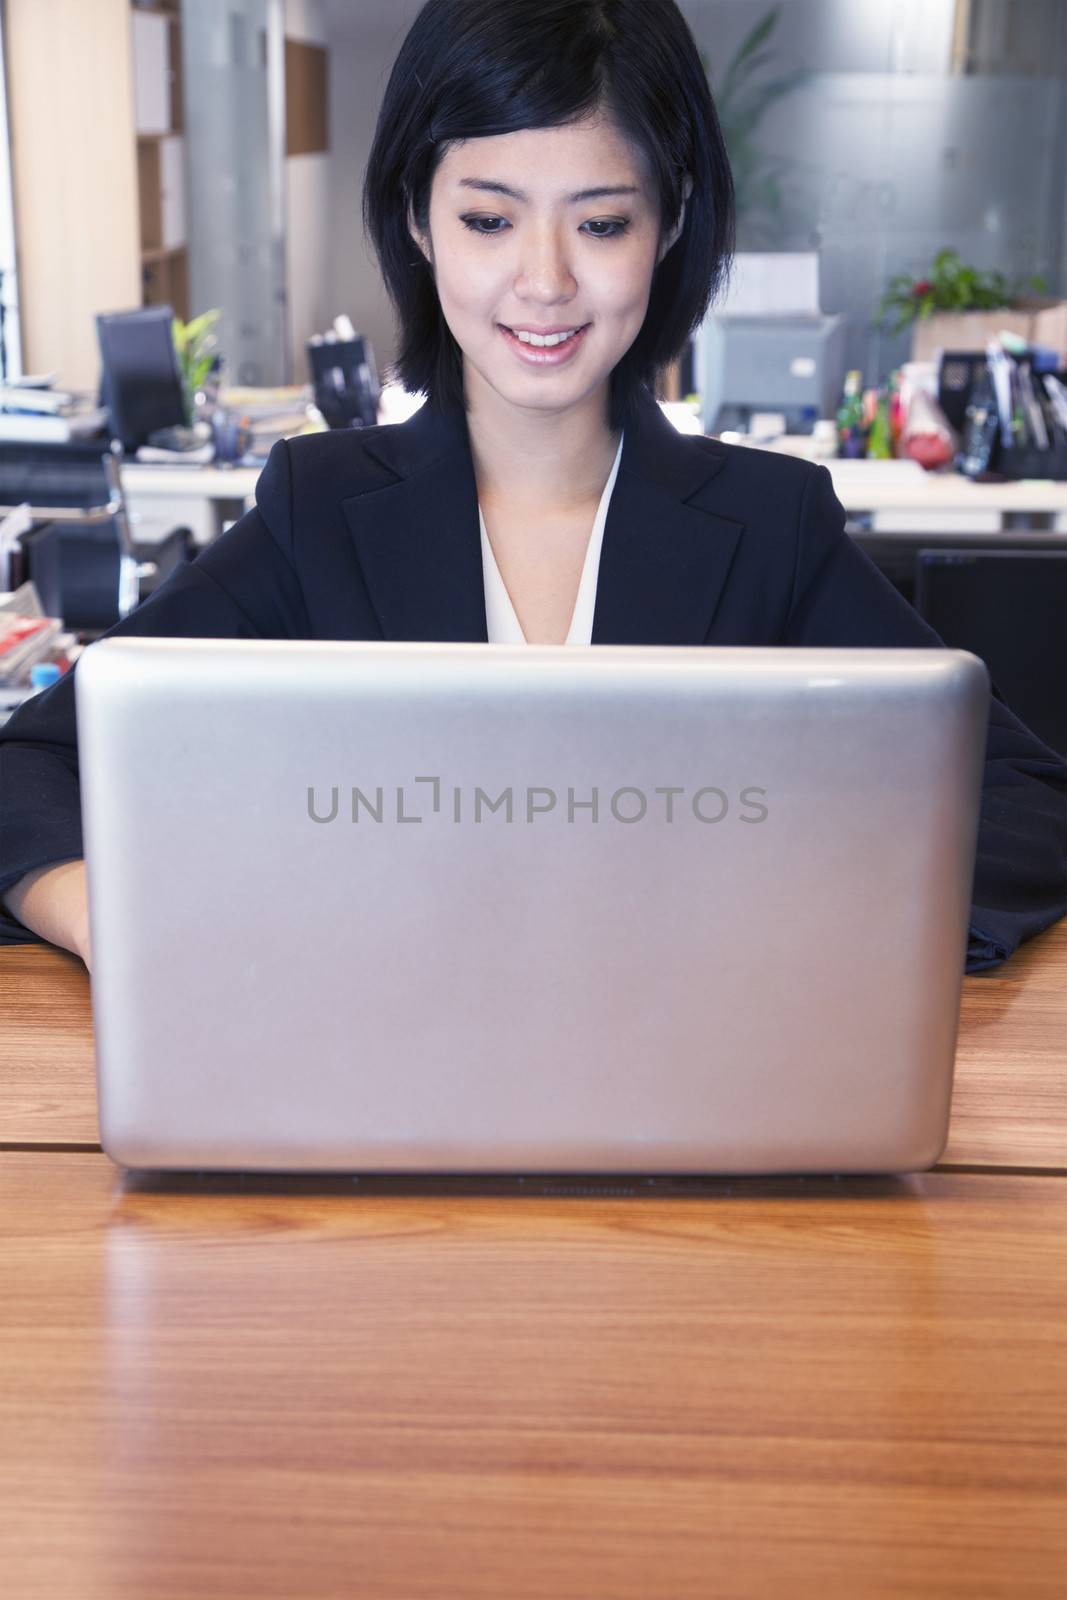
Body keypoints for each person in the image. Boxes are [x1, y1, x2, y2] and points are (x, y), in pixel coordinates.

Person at [0, 0, 1064, 971]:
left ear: (669, 223)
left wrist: (773, 911)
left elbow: (1023, 804)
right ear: (417, 219)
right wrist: (118, 925)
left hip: (685, 1078)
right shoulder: (315, 511)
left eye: (601, 223)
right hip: (380, 1073)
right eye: (488, 219)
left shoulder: (767, 524)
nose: (545, 281)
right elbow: (29, 774)